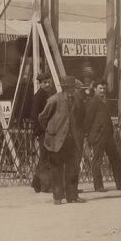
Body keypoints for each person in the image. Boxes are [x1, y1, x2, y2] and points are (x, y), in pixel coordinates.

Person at [38, 75, 86, 205]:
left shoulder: (77, 99)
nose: (72, 91)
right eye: (70, 89)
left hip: (72, 140)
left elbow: (81, 117)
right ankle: (58, 197)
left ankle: (73, 196)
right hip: (56, 141)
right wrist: (51, 131)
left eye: (74, 89)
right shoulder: (53, 100)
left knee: (73, 168)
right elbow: (42, 118)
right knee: (56, 169)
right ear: (64, 88)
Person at [84, 80, 121, 192]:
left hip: (108, 136)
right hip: (98, 136)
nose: (102, 90)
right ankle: (98, 186)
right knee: (97, 161)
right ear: (95, 89)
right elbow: (88, 120)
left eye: (104, 88)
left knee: (115, 159)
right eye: (100, 88)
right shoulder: (93, 101)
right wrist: (89, 135)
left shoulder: (104, 101)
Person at [31, 72, 53, 193]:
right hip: (43, 131)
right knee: (45, 158)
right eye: (44, 83)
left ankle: (37, 183)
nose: (47, 84)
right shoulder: (39, 96)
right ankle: (45, 186)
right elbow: (35, 116)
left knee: (46, 157)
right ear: (40, 84)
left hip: (48, 131)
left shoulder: (48, 95)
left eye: (49, 82)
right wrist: (41, 131)